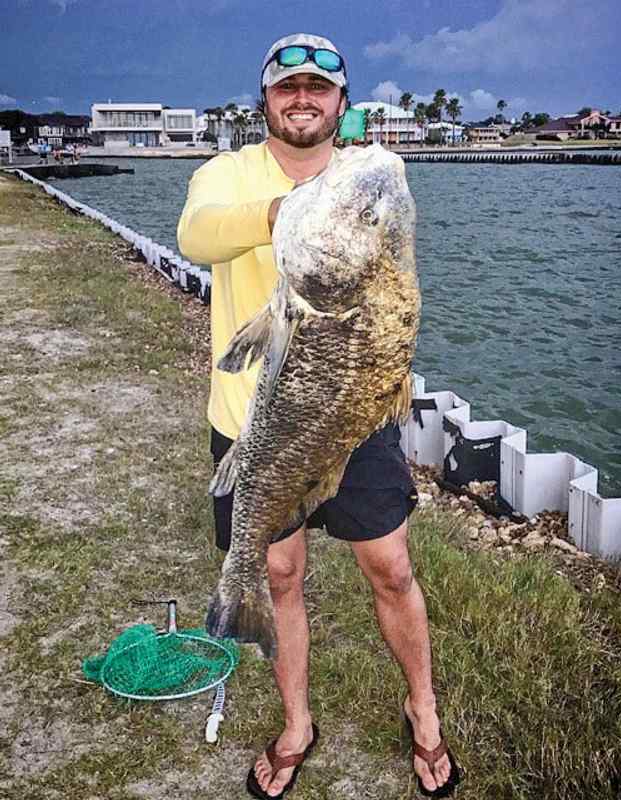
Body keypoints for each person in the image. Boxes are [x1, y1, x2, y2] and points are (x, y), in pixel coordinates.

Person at [177, 33, 461, 800]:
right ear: (265, 99)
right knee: (279, 572)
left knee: (392, 567)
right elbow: (195, 236)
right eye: (286, 87)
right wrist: (289, 209)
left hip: (352, 415)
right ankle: (297, 724)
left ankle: (423, 712)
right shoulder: (225, 173)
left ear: (341, 102)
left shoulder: (364, 179)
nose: (302, 99)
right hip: (254, 422)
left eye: (319, 88)